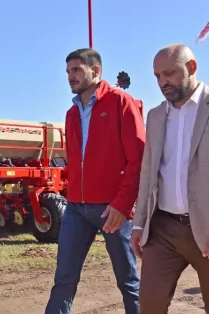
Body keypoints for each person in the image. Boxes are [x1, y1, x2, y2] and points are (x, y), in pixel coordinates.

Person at [131, 44, 209, 314]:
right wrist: (139, 223)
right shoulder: (155, 116)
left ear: (191, 67)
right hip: (163, 229)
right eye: (157, 76)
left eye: (169, 73)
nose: (162, 82)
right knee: (150, 305)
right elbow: (148, 173)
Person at [45, 48, 145, 314]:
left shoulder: (122, 102)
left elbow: (138, 158)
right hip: (76, 208)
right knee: (63, 280)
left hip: (112, 209)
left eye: (77, 70)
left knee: (128, 281)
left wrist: (123, 205)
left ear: (96, 71)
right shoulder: (70, 114)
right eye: (68, 72)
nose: (71, 76)